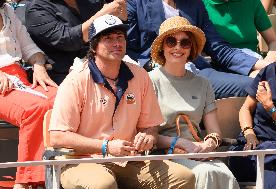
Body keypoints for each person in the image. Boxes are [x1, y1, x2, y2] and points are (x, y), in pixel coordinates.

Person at [49, 14, 195, 189]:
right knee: (103, 185)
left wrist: (148, 136)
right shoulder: (76, 80)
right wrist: (106, 146)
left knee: (184, 177)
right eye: (108, 38)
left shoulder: (140, 75)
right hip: (82, 160)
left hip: (129, 160)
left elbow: (151, 126)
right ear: (94, 46)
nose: (117, 43)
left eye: (120, 37)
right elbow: (57, 137)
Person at [149, 16, 240, 189]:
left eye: (185, 43)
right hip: (163, 154)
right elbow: (147, 136)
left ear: (191, 49)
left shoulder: (203, 83)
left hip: (198, 151)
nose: (178, 47)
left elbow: (214, 132)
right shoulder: (149, 81)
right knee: (205, 173)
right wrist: (180, 143)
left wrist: (210, 144)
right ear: (162, 47)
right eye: (171, 41)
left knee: (223, 174)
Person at [127, 0, 276, 99]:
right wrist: (152, 66)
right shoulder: (135, 4)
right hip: (158, 74)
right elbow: (129, 50)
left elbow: (218, 48)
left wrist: (267, 66)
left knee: (258, 85)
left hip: (197, 71)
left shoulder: (194, 3)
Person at [0, 1, 57, 188]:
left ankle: (62, 171)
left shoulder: (7, 10)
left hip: (19, 78)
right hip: (2, 84)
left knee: (61, 98)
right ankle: (25, 181)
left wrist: (38, 65)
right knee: (35, 108)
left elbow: (29, 47)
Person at [25, 0, 127, 84]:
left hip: (102, 64)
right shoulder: (36, 8)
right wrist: (101, 15)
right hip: (63, 76)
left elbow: (113, 29)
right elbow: (67, 40)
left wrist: (120, 17)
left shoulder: (91, 2)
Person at [228, 63, 276, 189]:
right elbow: (246, 108)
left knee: (273, 168)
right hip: (250, 152)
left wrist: (270, 107)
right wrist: (250, 135)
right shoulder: (271, 71)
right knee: (270, 152)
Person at [203, 0, 276, 63]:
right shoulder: (201, 5)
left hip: (255, 60)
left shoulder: (251, 2)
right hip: (219, 66)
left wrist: (270, 59)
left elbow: (273, 41)